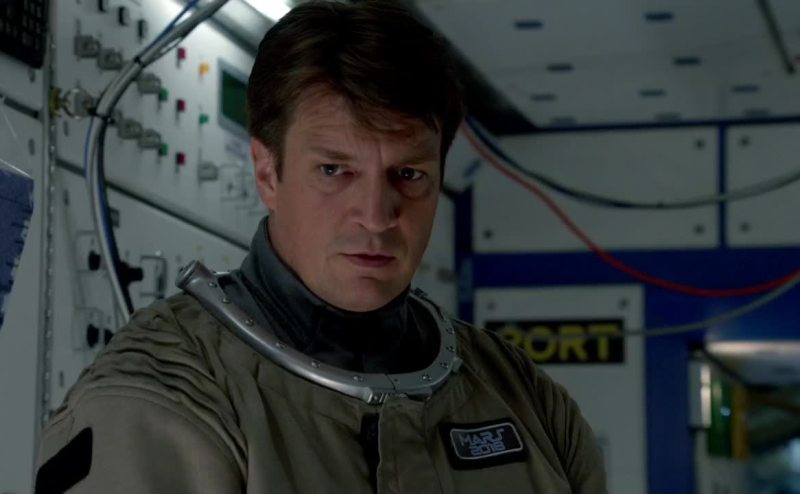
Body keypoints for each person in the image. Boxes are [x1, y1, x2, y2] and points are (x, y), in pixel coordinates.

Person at [35, 1, 607, 492]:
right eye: (335, 170)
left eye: (408, 175)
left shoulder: (524, 397)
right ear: (267, 173)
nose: (376, 216)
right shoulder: (164, 399)